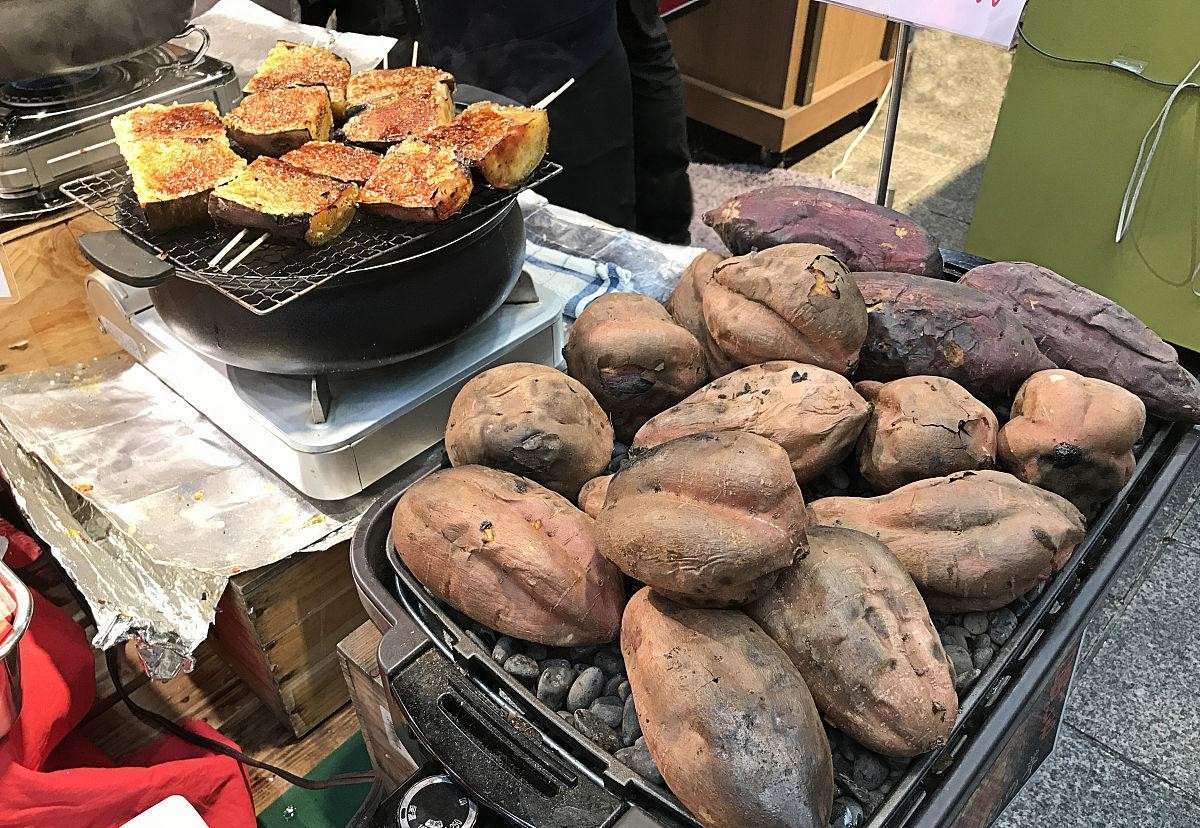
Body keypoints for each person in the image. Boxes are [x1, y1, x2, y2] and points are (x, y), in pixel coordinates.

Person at [300, 0, 693, 243]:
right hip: (471, 42)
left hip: (556, 56)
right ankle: (664, 239)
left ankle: (662, 240)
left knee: (580, 231)